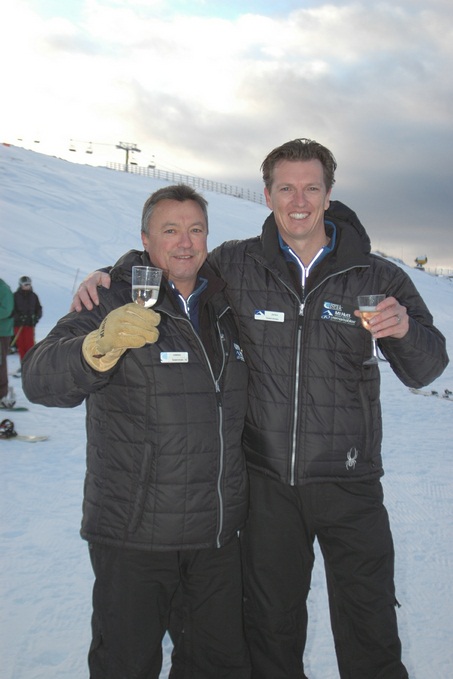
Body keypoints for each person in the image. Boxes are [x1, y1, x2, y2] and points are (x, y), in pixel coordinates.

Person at [72, 139, 449, 679]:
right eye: (286, 188)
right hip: (267, 485)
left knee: (370, 629)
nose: (299, 200)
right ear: (267, 194)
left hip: (350, 482)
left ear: (328, 193)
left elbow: (427, 367)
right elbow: (175, 262)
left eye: (311, 187)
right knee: (271, 631)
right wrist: (115, 273)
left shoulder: (375, 276)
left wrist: (407, 330)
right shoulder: (236, 264)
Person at [22, 184, 251, 679]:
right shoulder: (111, 295)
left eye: (195, 230)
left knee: (219, 666)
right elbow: (40, 376)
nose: (185, 242)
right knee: (126, 665)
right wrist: (94, 347)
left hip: (214, 537)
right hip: (135, 535)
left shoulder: (225, 305)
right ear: (146, 239)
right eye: (170, 230)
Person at [13, 275, 42, 374]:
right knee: (21, 346)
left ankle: (31, 365)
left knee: (29, 345)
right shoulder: (16, 296)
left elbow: (39, 309)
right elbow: (12, 310)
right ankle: (23, 365)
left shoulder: (33, 296)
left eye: (29, 284)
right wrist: (19, 317)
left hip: (29, 325)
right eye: (25, 284)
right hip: (19, 325)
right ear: (21, 285)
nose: (27, 286)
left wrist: (35, 318)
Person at [0, 278, 15, 408]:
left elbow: (6, 310)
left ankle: (1, 394)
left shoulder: (3, 288)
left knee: (0, 362)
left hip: (2, 332)